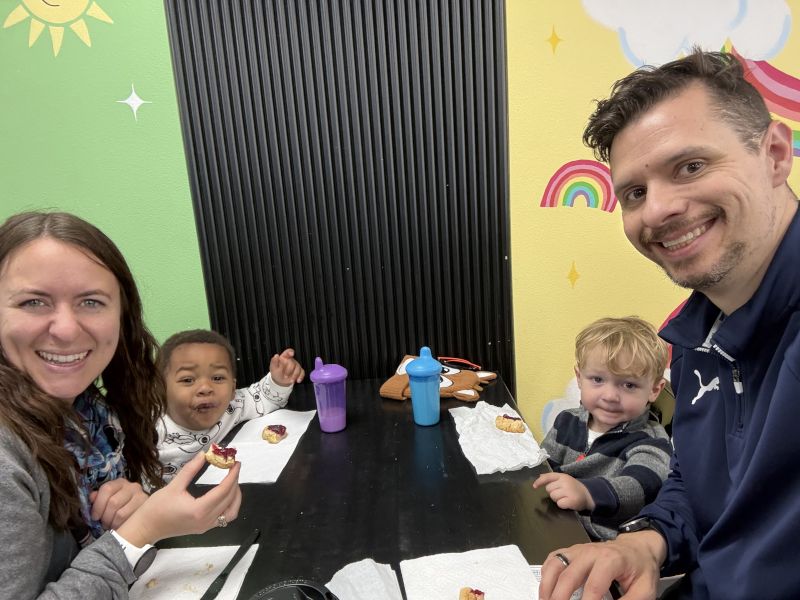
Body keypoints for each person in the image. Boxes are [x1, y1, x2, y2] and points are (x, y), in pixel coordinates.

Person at [538, 49, 799, 600]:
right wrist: (645, 542)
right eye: (635, 193)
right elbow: (698, 486)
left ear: (775, 155)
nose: (656, 212)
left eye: (691, 166)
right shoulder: (689, 342)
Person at [0, 211, 242, 598]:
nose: (65, 329)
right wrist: (137, 534)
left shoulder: (86, 413)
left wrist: (130, 513)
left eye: (91, 302)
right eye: (33, 302)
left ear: (122, 315)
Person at [533, 316, 671, 542]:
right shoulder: (567, 420)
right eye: (597, 379)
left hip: (605, 543)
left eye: (628, 385)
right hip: (557, 523)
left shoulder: (651, 441)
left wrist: (586, 493)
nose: (609, 396)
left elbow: (639, 486)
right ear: (579, 378)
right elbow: (544, 466)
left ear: (655, 389)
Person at [156, 329, 305, 480]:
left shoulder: (232, 407)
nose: (206, 388)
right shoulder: (149, 429)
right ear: (161, 388)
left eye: (218, 378)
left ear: (233, 389)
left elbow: (264, 396)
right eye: (188, 380)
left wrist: (280, 379)